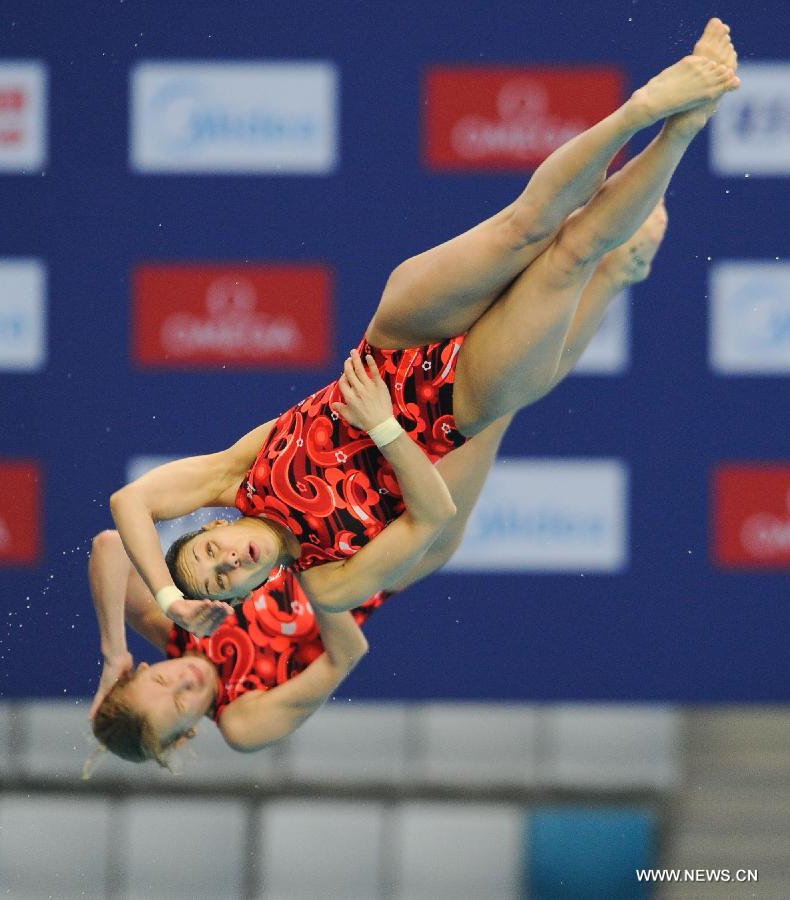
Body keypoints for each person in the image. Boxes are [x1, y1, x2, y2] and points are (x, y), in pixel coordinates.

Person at [109, 22, 737, 634]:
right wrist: (383, 425)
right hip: (453, 408)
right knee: (571, 256)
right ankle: (685, 125)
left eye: (210, 554)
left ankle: (645, 106)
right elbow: (434, 517)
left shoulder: (232, 477)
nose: (227, 563)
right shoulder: (329, 584)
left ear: (215, 527)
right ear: (249, 594)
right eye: (223, 583)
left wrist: (166, 598)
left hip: (396, 339)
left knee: (525, 225)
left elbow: (128, 504)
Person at [89, 197, 671, 766]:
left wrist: (114, 648)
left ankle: (600, 260)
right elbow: (346, 657)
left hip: (349, 485)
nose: (183, 686)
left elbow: (110, 546)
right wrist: (313, 575)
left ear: (147, 667)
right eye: (180, 708)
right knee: (500, 407)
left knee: (496, 375)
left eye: (161, 682)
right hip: (388, 550)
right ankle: (615, 274)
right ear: (187, 737)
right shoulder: (243, 721)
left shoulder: (178, 623)